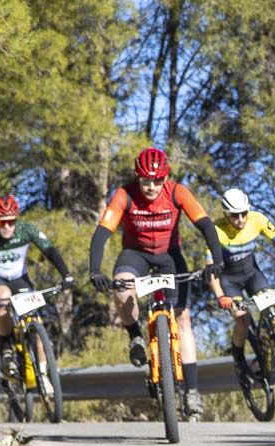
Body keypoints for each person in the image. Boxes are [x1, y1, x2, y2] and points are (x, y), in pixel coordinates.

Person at [88, 147, 225, 419]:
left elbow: (206, 225)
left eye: (157, 180)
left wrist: (217, 260)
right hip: (135, 254)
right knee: (122, 287)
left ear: (166, 178)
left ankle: (192, 391)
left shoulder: (176, 192)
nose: (151, 186)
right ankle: (135, 336)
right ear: (137, 177)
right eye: (145, 180)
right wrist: (95, 270)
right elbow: (103, 232)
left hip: (169, 257)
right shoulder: (125, 195)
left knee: (183, 319)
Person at [0, 194, 74, 394]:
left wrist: (66, 274)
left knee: (36, 320)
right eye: (2, 222)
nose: (7, 227)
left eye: (11, 222)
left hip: (19, 278)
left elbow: (49, 251)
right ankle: (6, 344)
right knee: (2, 296)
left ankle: (42, 373)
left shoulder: (27, 230)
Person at [206, 188, 275, 376]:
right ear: (226, 214)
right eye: (235, 216)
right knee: (242, 319)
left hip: (252, 275)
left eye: (244, 214)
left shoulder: (258, 219)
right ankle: (238, 356)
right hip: (229, 281)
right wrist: (220, 295)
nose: (241, 219)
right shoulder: (216, 231)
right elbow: (210, 267)